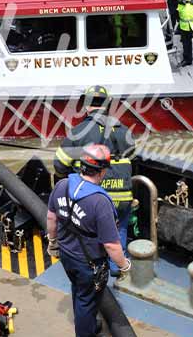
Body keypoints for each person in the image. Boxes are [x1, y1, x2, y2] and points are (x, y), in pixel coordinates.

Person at [47, 144, 132, 337]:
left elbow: (51, 218)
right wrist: (124, 265)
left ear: (82, 165)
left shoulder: (62, 185)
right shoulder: (100, 202)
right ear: (102, 171)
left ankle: (89, 325)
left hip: (67, 255)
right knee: (88, 301)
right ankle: (86, 331)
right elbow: (111, 244)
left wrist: (52, 242)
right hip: (90, 264)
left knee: (78, 290)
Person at [54, 85, 135, 276]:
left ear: (86, 106)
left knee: (88, 231)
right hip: (123, 195)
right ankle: (117, 266)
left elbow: (59, 165)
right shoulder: (124, 131)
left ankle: (93, 265)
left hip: (92, 196)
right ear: (107, 105)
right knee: (118, 229)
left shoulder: (78, 132)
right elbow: (134, 157)